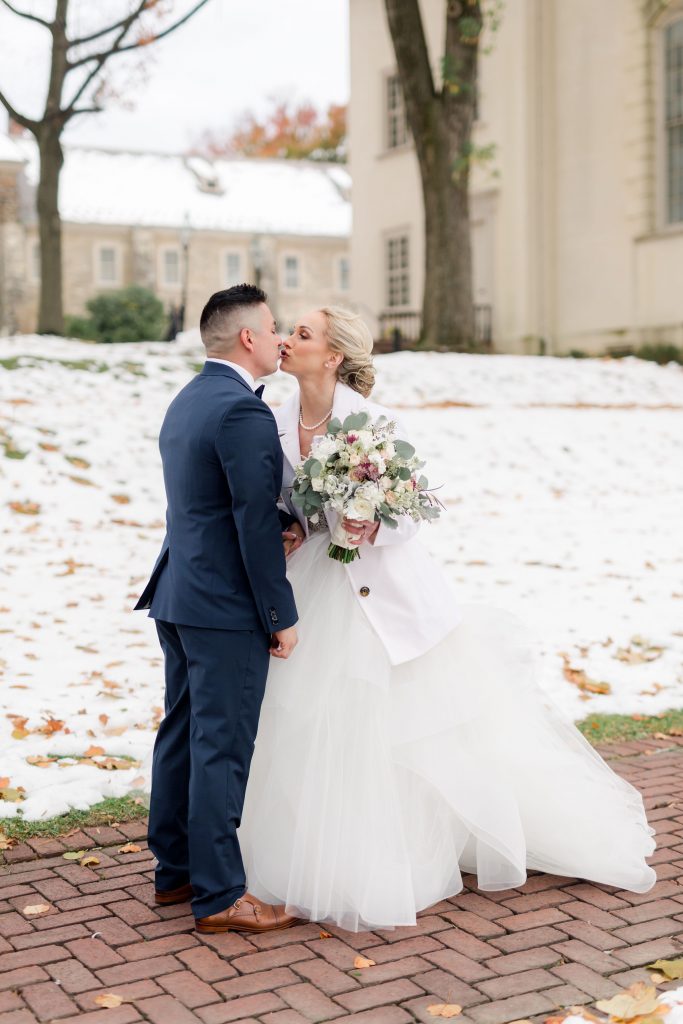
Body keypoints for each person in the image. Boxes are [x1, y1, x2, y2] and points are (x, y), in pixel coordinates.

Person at [237, 305, 657, 933]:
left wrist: (371, 521)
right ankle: (303, 850)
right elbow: (276, 501)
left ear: (332, 357)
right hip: (311, 582)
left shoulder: (374, 423)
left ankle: (385, 854)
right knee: (301, 715)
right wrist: (292, 527)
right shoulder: (270, 416)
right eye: (290, 331)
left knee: (383, 724)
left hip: (380, 590)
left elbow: (413, 510)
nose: (288, 340)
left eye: (303, 334)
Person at [135, 285, 302, 935]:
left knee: (182, 733)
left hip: (178, 594)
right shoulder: (242, 411)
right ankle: (220, 895)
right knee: (220, 748)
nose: (281, 334)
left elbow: (210, 498)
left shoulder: (191, 398)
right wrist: (277, 613)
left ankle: (174, 870)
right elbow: (250, 521)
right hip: (222, 604)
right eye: (272, 325)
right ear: (247, 339)